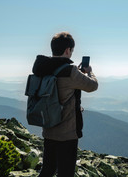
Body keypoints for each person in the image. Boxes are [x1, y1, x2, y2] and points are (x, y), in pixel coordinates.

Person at [32, 31, 98, 177]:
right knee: (66, 172)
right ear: (68, 50)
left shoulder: (42, 68)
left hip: (48, 128)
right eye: (72, 50)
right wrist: (89, 72)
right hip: (67, 133)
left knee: (48, 169)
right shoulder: (70, 71)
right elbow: (93, 86)